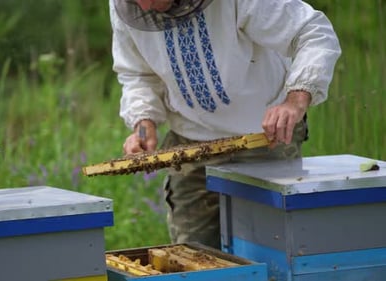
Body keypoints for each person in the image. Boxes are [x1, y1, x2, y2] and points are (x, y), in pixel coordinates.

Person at [109, 0, 341, 249]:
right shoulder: (124, 4)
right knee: (193, 255)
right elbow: (138, 73)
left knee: (268, 250)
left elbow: (313, 32)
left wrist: (295, 100)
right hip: (190, 146)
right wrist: (144, 125)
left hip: (265, 138)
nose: (144, 10)